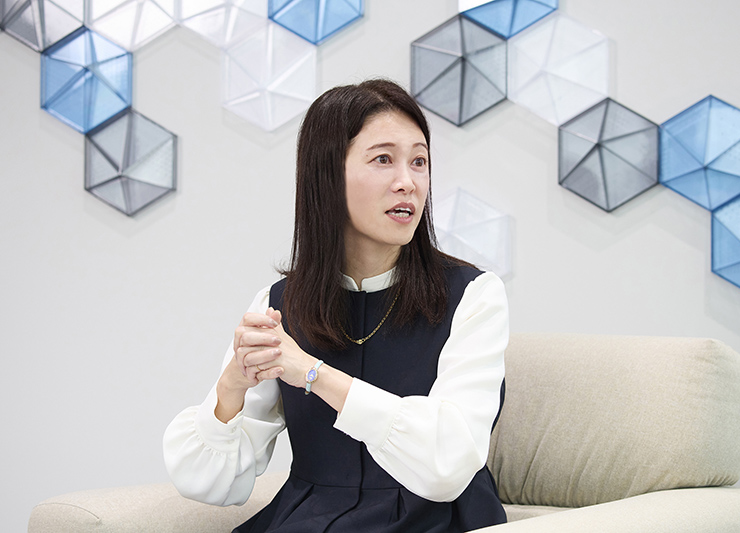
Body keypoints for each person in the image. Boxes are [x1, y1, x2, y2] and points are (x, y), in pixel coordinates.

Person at [163, 79, 509, 533]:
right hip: (311, 518)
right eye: (383, 159)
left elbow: (447, 461)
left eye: (419, 161)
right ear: (327, 175)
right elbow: (213, 483)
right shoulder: (279, 305)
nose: (407, 182)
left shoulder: (473, 296)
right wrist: (233, 384)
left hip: (434, 520)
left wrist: (313, 374)